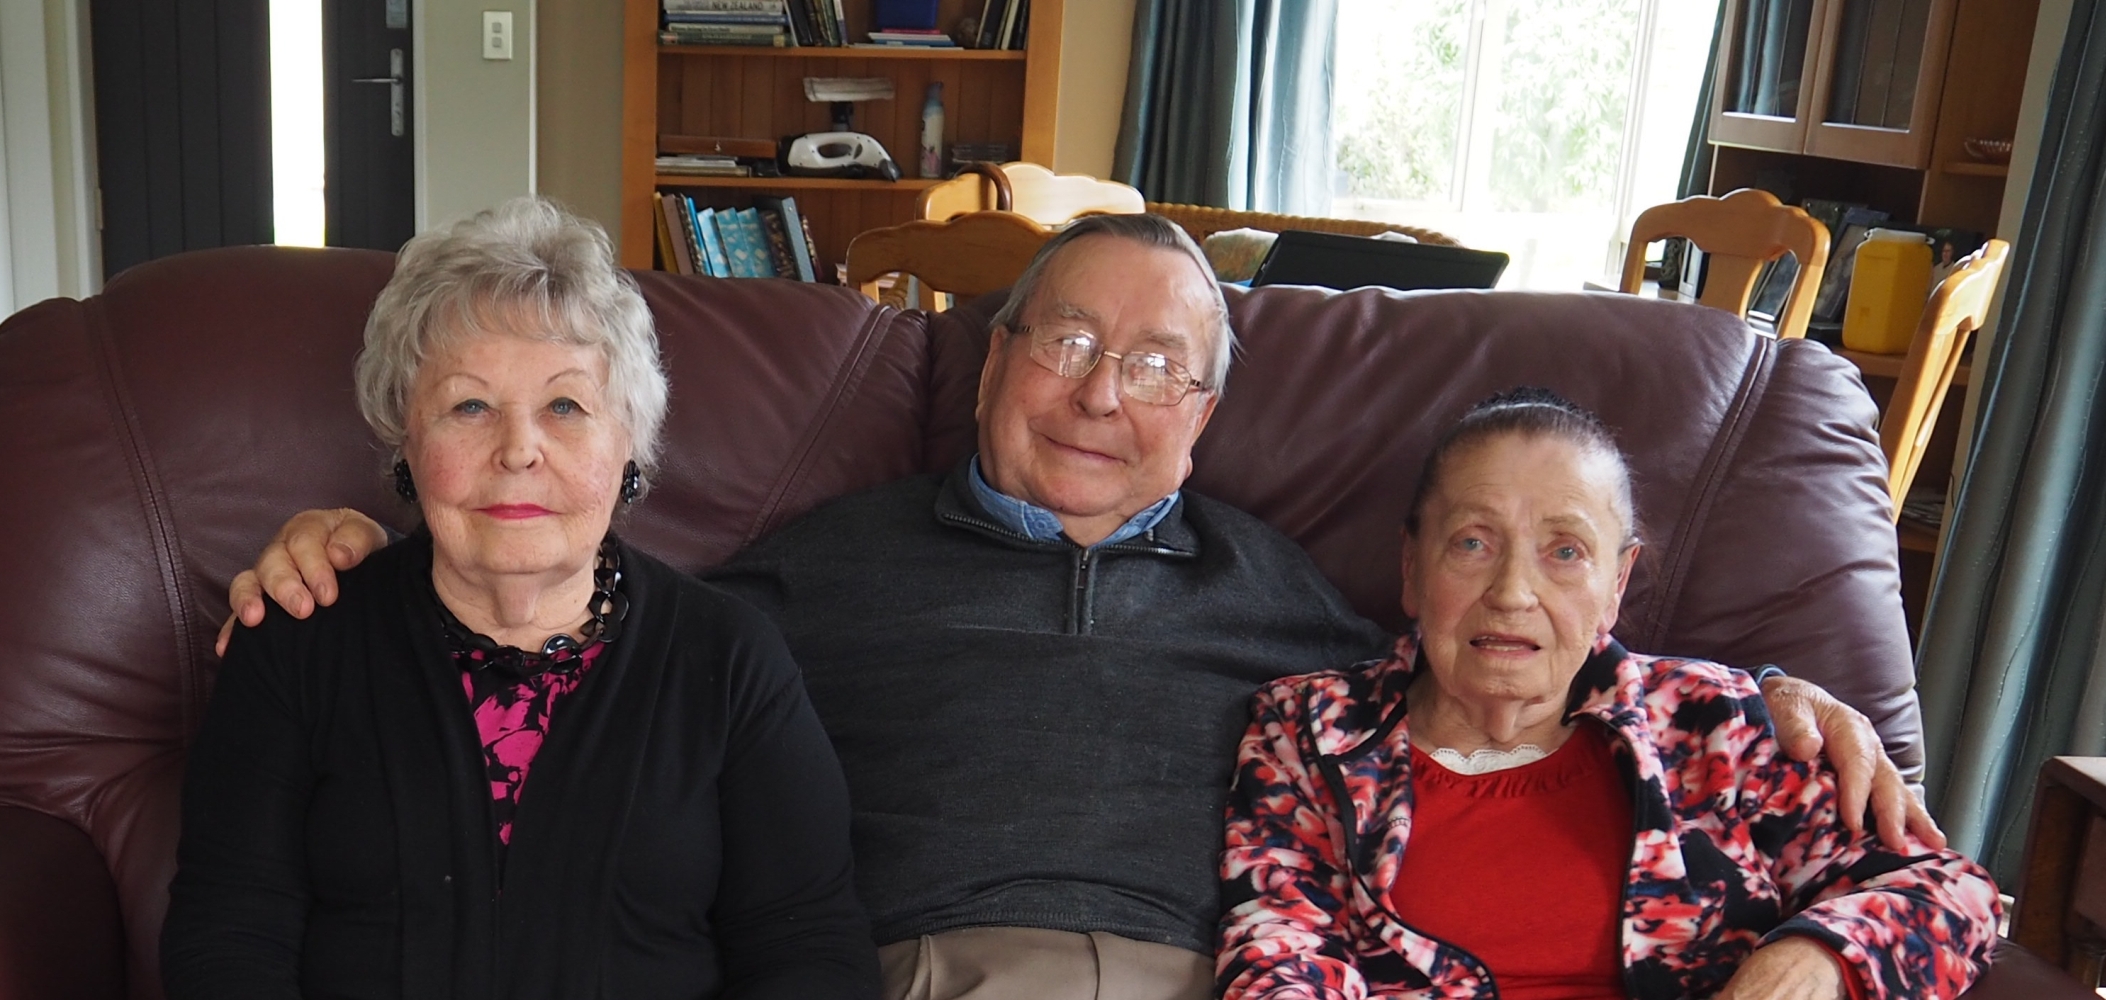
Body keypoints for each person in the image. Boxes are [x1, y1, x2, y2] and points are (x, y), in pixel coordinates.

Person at [216, 214, 1935, 1000]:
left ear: (1209, 408)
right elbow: (567, 598)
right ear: (991, 368)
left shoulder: (1309, 599)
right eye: (1069, 344)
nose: (1107, 394)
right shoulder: (814, 572)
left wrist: (1792, 691)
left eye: (1162, 367)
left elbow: (1523, 647)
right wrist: (347, 539)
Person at [162, 198, 878, 1000]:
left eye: (565, 406)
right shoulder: (298, 639)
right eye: (469, 405)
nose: (517, 450)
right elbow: (226, 941)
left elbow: (810, 947)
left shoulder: (731, 660)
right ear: (407, 440)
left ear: (629, 446)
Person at [1217, 390, 1998, 1000]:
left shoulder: (1711, 727)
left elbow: (1951, 891)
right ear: (1413, 567)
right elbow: (1280, 951)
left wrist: (1817, 958)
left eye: (1565, 551)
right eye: (1472, 543)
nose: (1513, 592)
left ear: (1615, 584)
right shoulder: (1309, 731)